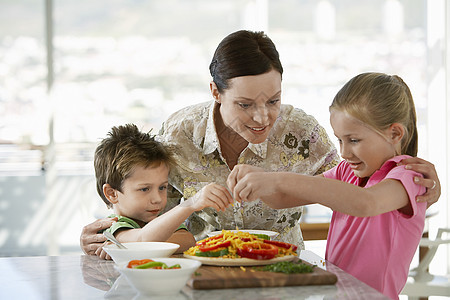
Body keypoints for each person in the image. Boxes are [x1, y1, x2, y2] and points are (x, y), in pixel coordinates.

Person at [80, 30, 441, 257]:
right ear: (215, 93)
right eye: (245, 104)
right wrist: (113, 235)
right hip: (198, 276)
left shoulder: (302, 131)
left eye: (273, 101)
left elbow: (359, 180)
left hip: (285, 275)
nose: (262, 118)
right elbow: (144, 201)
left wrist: (429, 186)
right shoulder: (177, 135)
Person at [227, 72, 429, 299]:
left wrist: (276, 179)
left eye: (354, 140)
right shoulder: (346, 172)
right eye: (339, 140)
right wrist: (259, 181)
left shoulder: (410, 177)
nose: (344, 152)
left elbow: (366, 203)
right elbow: (283, 199)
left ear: (394, 133)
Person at [93, 124, 231, 259]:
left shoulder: (159, 221)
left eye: (162, 187)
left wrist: (137, 244)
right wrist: (191, 204)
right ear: (112, 193)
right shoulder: (115, 229)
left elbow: (188, 240)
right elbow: (144, 239)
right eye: (145, 189)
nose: (157, 199)